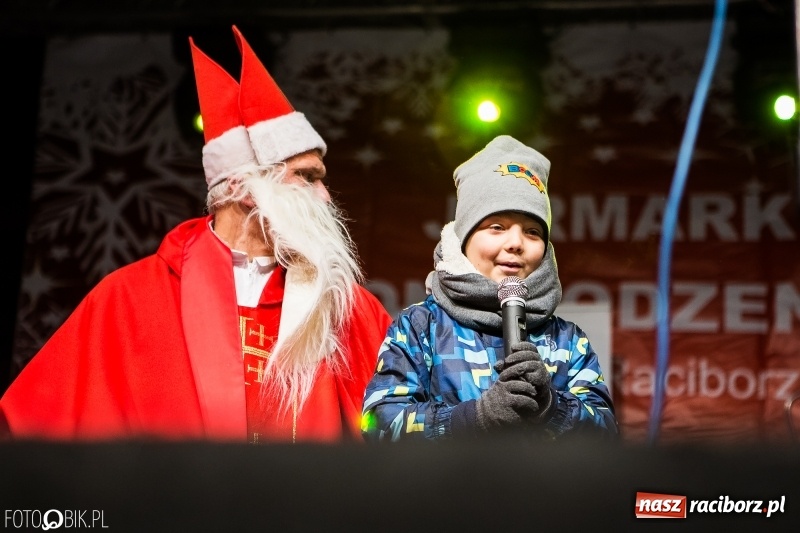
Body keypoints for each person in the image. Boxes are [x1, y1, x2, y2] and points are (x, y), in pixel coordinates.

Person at [0, 26, 391, 444]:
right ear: (243, 190)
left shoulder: (349, 312)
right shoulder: (129, 300)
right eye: (307, 177)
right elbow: (27, 433)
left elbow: (405, 434)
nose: (325, 195)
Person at [361, 135, 618, 442]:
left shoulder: (566, 340)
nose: (515, 243)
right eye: (496, 226)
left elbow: (607, 437)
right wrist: (474, 418)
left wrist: (552, 407)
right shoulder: (420, 327)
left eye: (532, 231)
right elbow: (376, 425)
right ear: (465, 239)